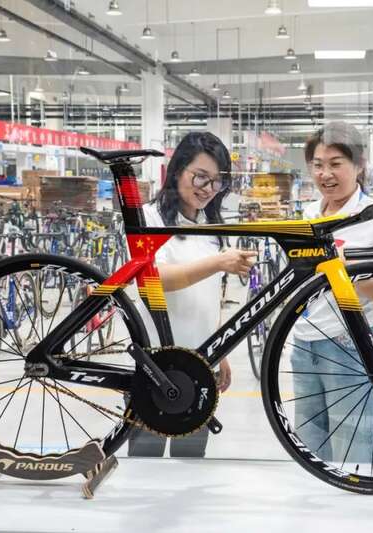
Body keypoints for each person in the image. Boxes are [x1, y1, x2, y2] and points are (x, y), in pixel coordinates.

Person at [129, 131, 257, 457]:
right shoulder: (148, 219)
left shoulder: (209, 227)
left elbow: (210, 296)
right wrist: (218, 262)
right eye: (200, 177)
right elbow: (153, 280)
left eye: (217, 182)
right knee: (145, 464)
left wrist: (220, 352)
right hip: (154, 363)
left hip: (199, 366)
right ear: (177, 171)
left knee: (191, 463)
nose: (208, 189)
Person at [291, 121, 373, 464]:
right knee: (311, 457)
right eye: (318, 164)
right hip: (304, 345)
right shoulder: (310, 214)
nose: (325, 174)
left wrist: (344, 267)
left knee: (358, 461)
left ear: (359, 165)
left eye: (335, 164)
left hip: (352, 348)